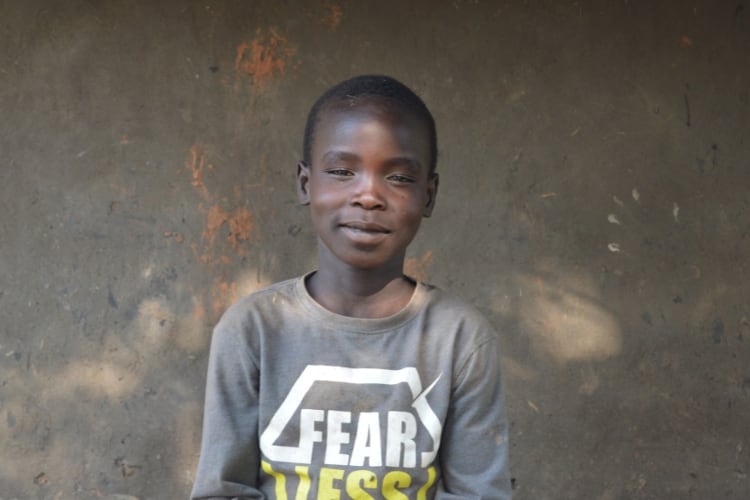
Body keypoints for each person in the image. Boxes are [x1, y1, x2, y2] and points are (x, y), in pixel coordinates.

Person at [191, 74, 512, 499]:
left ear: (429, 195)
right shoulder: (253, 329)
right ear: (306, 184)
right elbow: (222, 490)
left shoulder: (460, 339)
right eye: (342, 171)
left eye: (398, 178)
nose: (368, 195)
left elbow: (480, 493)